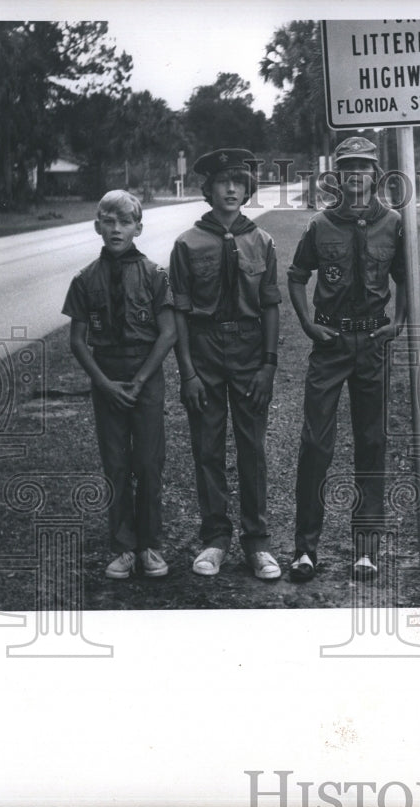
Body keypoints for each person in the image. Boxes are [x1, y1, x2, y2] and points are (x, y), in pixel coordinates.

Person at [287, 136, 406, 583]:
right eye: (348, 168)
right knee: (316, 443)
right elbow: (297, 276)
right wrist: (307, 324)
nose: (356, 175)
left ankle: (366, 549)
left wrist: (400, 320)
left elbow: (405, 275)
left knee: (371, 442)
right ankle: (305, 549)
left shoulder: (392, 222)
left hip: (372, 343)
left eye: (364, 167)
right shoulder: (320, 225)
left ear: (376, 174)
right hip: (331, 343)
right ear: (336, 176)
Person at [169, 148, 283, 580]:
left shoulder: (262, 242)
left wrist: (269, 364)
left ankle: (257, 543)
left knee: (252, 449)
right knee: (207, 449)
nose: (231, 189)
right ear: (208, 189)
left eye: (239, 182)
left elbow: (270, 305)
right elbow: (179, 311)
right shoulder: (187, 244)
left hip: (250, 351)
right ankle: (215, 539)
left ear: (249, 189)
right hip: (204, 351)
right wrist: (188, 373)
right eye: (222, 182)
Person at [62, 190, 176, 579]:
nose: (116, 229)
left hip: (146, 377)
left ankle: (149, 545)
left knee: (147, 462)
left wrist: (141, 379)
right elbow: (77, 340)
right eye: (108, 221)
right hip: (106, 378)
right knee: (115, 464)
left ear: (138, 228)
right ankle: (124, 547)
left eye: (125, 222)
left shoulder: (155, 274)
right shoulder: (84, 280)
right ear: (97, 226)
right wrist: (104, 383)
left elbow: (168, 333)